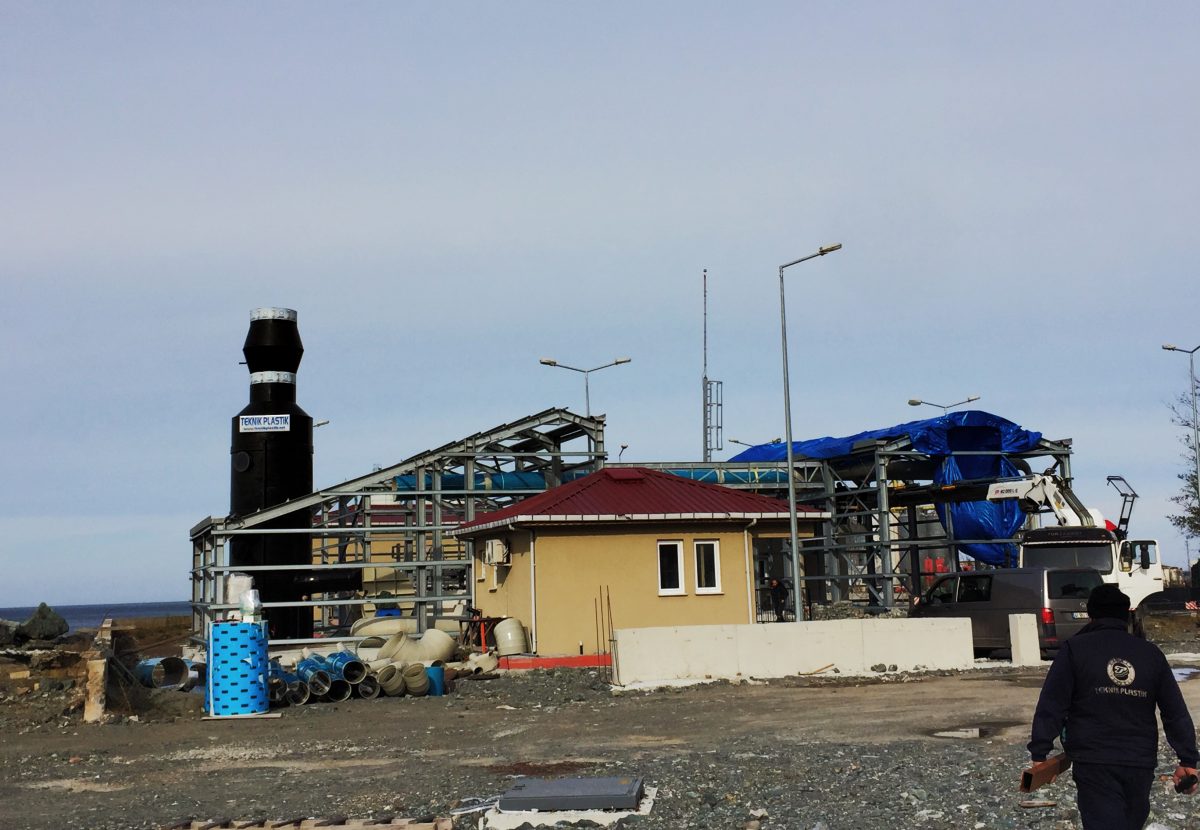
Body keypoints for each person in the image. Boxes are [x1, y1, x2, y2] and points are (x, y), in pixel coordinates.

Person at [1028, 584, 1199, 829]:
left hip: (1094, 760)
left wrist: (1039, 753)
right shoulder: (1150, 654)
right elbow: (1175, 712)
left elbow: (1052, 703)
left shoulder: (1075, 649)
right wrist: (1188, 759)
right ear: (1125, 615)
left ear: (1090, 614)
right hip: (1139, 761)